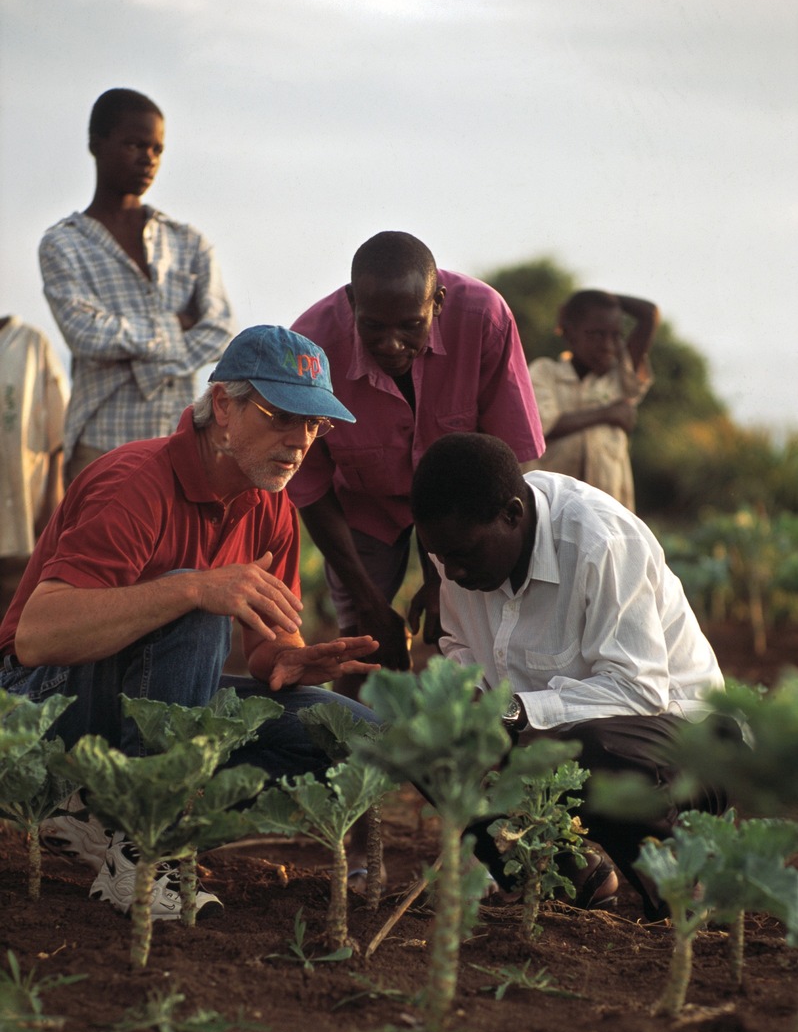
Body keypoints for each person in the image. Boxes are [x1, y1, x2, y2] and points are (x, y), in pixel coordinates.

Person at [0, 325, 380, 920]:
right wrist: (192, 587)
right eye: (282, 415)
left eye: (315, 424)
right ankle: (142, 849)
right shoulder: (135, 482)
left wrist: (290, 660)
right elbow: (36, 636)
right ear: (223, 407)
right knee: (197, 606)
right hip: (34, 706)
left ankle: (113, 818)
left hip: (145, 704)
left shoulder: (272, 503)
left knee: (357, 734)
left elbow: (264, 649)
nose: (300, 440)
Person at [410, 432, 734, 919]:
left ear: (513, 516)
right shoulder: (457, 551)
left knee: (595, 751)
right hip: (555, 745)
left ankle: (683, 881)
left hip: (685, 740)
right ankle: (572, 875)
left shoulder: (600, 542)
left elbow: (638, 689)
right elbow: (461, 648)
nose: (450, 573)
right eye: (439, 556)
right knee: (428, 740)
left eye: (462, 555)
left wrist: (516, 712)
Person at [289, 231, 545, 694]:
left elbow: (506, 461)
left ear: (439, 303)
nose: (391, 344)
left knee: (475, 629)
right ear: (351, 302)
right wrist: (369, 602)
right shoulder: (310, 345)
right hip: (362, 507)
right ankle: (353, 752)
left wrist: (445, 576)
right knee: (362, 644)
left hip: (461, 509)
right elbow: (309, 487)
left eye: (410, 325)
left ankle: (484, 738)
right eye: (373, 327)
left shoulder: (485, 318)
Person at [39, 87, 235, 486]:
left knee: (177, 549)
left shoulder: (187, 241)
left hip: (178, 443)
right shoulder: (64, 243)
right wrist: (174, 325)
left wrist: (137, 349)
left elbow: (219, 330)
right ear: (97, 144)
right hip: (101, 442)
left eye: (157, 149)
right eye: (135, 144)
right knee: (102, 549)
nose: (149, 159)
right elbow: (86, 334)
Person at [527, 290, 659, 511]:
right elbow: (542, 426)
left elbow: (649, 314)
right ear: (569, 333)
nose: (608, 345)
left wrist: (607, 299)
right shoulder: (545, 373)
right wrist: (608, 414)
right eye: (596, 334)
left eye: (616, 335)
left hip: (606, 515)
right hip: (551, 510)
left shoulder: (619, 379)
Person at [0, 316, 69, 620]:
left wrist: (52, 500)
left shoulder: (29, 342)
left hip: (20, 502)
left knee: (16, 601)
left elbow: (58, 431)